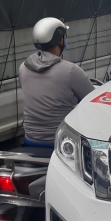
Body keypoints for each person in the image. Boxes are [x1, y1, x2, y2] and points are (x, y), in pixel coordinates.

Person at [19, 17, 95, 147]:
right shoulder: (71, 71)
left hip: (30, 139)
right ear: (60, 40)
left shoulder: (23, 68)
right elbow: (93, 99)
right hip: (60, 142)